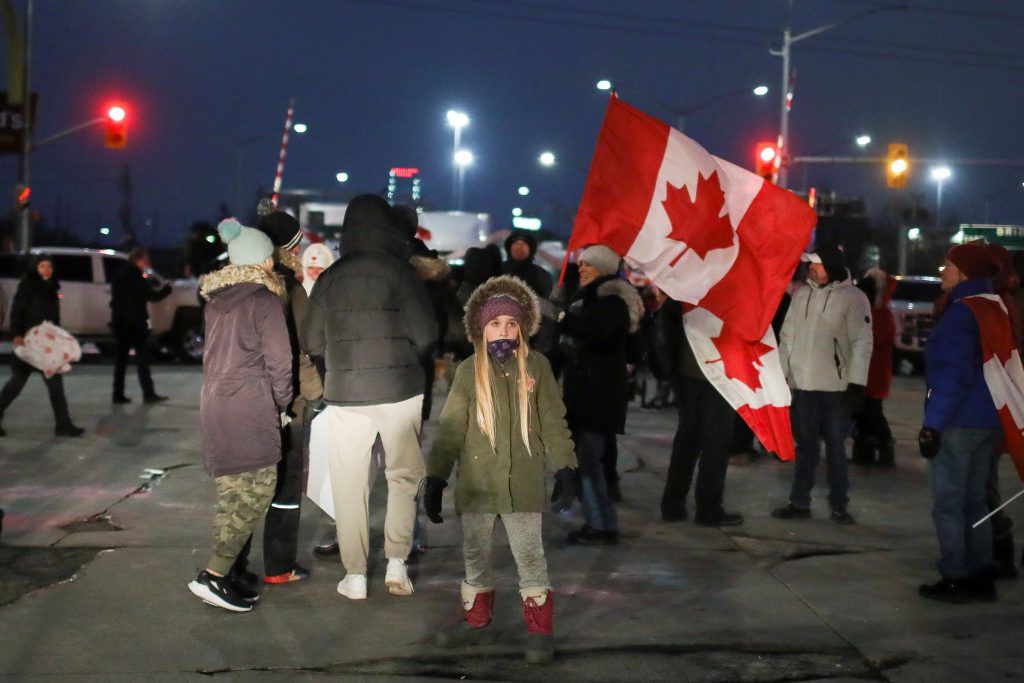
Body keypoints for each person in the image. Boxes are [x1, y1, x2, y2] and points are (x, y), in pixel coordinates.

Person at [423, 275, 576, 665]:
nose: (503, 331)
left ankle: (539, 633)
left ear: (522, 326)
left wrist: (565, 467)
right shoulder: (467, 371)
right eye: (495, 323)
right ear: (481, 328)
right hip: (478, 483)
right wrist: (437, 477)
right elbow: (451, 428)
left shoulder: (537, 367)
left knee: (530, 555)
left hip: (523, 483)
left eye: (511, 323)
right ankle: (477, 622)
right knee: (475, 554)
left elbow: (553, 421)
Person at [301, 194, 437, 600]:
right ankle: (397, 563)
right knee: (403, 477)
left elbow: (311, 340)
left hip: (346, 394)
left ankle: (355, 575)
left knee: (350, 484)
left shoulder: (330, 277)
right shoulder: (401, 272)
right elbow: (427, 334)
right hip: (400, 390)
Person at [188, 218, 293, 612]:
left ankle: (225, 575)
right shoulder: (263, 301)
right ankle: (214, 575)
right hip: (249, 405)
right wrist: (281, 403)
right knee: (257, 490)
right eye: (270, 256)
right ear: (262, 260)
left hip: (216, 403)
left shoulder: (217, 300)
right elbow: (280, 363)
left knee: (233, 494)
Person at [917, 242, 1005, 603]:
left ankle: (955, 575)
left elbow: (955, 374)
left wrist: (933, 425)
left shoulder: (961, 312)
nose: (943, 271)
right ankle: (981, 573)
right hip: (989, 419)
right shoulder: (993, 306)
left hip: (958, 420)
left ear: (966, 272)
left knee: (949, 503)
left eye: (949, 265)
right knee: (975, 500)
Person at [773, 244, 872, 524]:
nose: (811, 268)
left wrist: (856, 384)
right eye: (810, 263)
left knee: (836, 449)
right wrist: (781, 376)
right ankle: (799, 502)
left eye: (816, 263)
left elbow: (862, 342)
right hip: (802, 387)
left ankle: (839, 504)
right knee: (805, 448)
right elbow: (787, 337)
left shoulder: (854, 298)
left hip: (835, 390)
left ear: (831, 266)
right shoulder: (801, 295)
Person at [558, 244, 642, 544]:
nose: (581, 268)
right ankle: (599, 522)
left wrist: (561, 318)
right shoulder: (588, 298)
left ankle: (602, 526)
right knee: (584, 462)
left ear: (604, 268)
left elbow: (594, 332)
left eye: (588, 264)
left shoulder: (612, 302)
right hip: (585, 394)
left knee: (588, 463)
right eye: (580, 263)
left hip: (599, 395)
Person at [658, 296, 744, 527]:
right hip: (717, 375)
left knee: (687, 442)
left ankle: (673, 505)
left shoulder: (685, 289)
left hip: (688, 374)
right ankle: (708, 509)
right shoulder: (727, 291)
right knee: (715, 445)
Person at [0, 254, 84, 437]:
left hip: (46, 346)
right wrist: (17, 335)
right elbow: (16, 313)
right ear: (35, 268)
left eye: (49, 267)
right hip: (28, 343)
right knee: (15, 384)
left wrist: (59, 339)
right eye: (43, 266)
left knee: (55, 385)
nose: (47, 270)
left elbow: (54, 319)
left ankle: (63, 425)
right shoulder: (27, 287)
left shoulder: (52, 288)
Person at [110, 247, 172, 404]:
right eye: (145, 259)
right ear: (139, 260)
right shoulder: (136, 276)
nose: (147, 262)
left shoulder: (119, 274)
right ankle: (148, 393)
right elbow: (152, 296)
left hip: (120, 322)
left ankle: (117, 394)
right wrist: (166, 289)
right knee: (142, 360)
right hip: (135, 324)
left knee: (121, 361)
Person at [852, 268, 897, 466]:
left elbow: (874, 339)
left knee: (872, 410)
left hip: (874, 371)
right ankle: (866, 446)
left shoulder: (881, 314)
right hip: (866, 370)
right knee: (862, 410)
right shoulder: (874, 312)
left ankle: (883, 442)